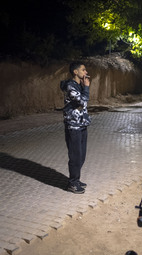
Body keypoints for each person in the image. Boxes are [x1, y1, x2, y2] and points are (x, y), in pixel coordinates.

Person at [60, 61, 91, 194]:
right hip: (73, 126)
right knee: (75, 156)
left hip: (82, 124)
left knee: (82, 155)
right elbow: (82, 101)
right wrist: (87, 88)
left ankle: (76, 179)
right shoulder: (70, 87)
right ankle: (72, 183)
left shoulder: (79, 85)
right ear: (75, 72)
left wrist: (84, 87)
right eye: (83, 70)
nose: (86, 73)